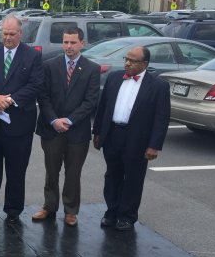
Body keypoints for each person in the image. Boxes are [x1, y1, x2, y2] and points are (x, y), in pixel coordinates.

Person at [0, 15, 43, 223]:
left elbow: (35, 84)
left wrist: (9, 100)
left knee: (16, 172)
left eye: (12, 34)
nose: (8, 37)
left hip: (19, 126)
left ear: (20, 33)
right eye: (5, 33)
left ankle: (13, 211)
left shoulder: (32, 56)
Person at [92, 46, 170, 231]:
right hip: (113, 135)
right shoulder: (114, 78)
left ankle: (127, 215)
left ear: (145, 64)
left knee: (133, 179)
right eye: (126, 59)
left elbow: (161, 118)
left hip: (138, 139)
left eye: (133, 61)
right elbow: (103, 107)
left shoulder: (158, 86)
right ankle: (112, 211)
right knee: (112, 176)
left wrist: (154, 145)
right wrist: (97, 132)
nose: (127, 63)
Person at [32, 27, 100, 227]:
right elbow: (43, 97)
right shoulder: (49, 66)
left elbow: (90, 101)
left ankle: (71, 210)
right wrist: (54, 120)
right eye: (65, 42)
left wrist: (69, 120)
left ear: (82, 43)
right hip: (52, 129)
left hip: (77, 131)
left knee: (73, 173)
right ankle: (49, 206)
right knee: (51, 171)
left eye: (72, 42)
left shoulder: (91, 69)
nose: (68, 46)